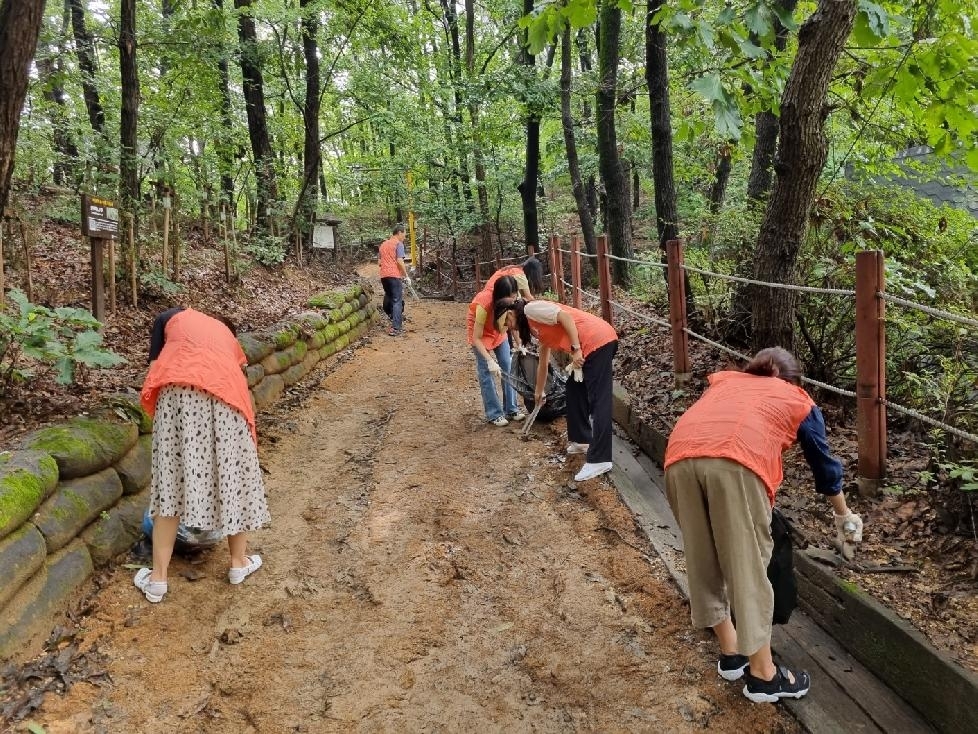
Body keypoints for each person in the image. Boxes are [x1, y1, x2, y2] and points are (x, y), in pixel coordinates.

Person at [663, 347, 864, 703]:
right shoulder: (797, 399)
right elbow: (826, 469)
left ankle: (732, 653)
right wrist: (844, 516)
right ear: (793, 381)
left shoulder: (725, 383)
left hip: (679, 458)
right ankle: (764, 677)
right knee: (748, 566)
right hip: (735, 465)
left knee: (702, 557)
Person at [135, 307, 270, 602]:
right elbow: (236, 375)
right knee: (232, 473)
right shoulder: (226, 337)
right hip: (226, 392)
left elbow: (157, 365)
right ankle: (238, 564)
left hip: (176, 390)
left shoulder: (169, 317)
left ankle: (157, 579)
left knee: (169, 484)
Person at [494, 298, 618, 481]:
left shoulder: (531, 309)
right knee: (574, 388)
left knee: (599, 400)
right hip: (589, 345)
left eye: (507, 321)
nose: (510, 327)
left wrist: (575, 349)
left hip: (597, 341)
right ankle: (582, 440)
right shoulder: (535, 327)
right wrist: (539, 391)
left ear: (511, 312)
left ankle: (601, 459)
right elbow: (543, 361)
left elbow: (565, 317)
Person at [468, 276, 526, 426]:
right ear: (501, 296)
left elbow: (513, 323)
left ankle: (511, 409)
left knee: (507, 365)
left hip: (499, 331)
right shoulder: (484, 304)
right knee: (486, 371)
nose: (514, 298)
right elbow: (476, 338)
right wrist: (489, 360)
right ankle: (494, 413)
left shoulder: (512, 300)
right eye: (511, 296)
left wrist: (519, 344)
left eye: (515, 295)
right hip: (481, 334)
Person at [378, 223, 410, 336]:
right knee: (397, 300)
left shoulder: (383, 245)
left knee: (389, 296)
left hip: (383, 276)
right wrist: (406, 275)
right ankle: (396, 328)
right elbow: (400, 261)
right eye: (404, 234)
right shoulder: (398, 244)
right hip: (394, 275)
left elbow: (379, 263)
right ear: (399, 233)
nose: (405, 236)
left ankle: (393, 316)